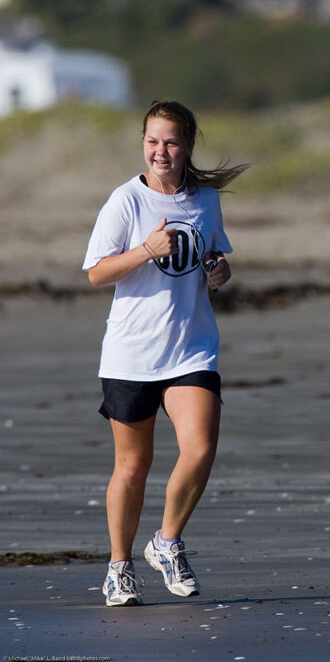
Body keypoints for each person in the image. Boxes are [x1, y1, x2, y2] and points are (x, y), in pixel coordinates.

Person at [83, 100, 247, 606]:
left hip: (191, 348)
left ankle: (168, 541)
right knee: (133, 466)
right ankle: (119, 568)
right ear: (143, 144)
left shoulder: (205, 200)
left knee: (199, 449)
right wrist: (145, 250)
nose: (161, 151)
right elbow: (96, 272)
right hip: (131, 353)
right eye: (152, 141)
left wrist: (219, 270)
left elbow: (214, 255)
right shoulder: (125, 202)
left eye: (171, 142)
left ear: (188, 145)